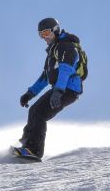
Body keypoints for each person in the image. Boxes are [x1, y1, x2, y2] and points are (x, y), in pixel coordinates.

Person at [17, 17, 84, 159]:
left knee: (40, 114)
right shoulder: (53, 52)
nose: (44, 37)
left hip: (68, 89)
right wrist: (30, 93)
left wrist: (58, 91)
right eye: (41, 34)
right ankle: (26, 145)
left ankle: (34, 151)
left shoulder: (65, 46)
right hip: (61, 88)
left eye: (46, 33)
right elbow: (46, 76)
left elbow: (66, 69)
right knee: (34, 110)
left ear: (55, 30)